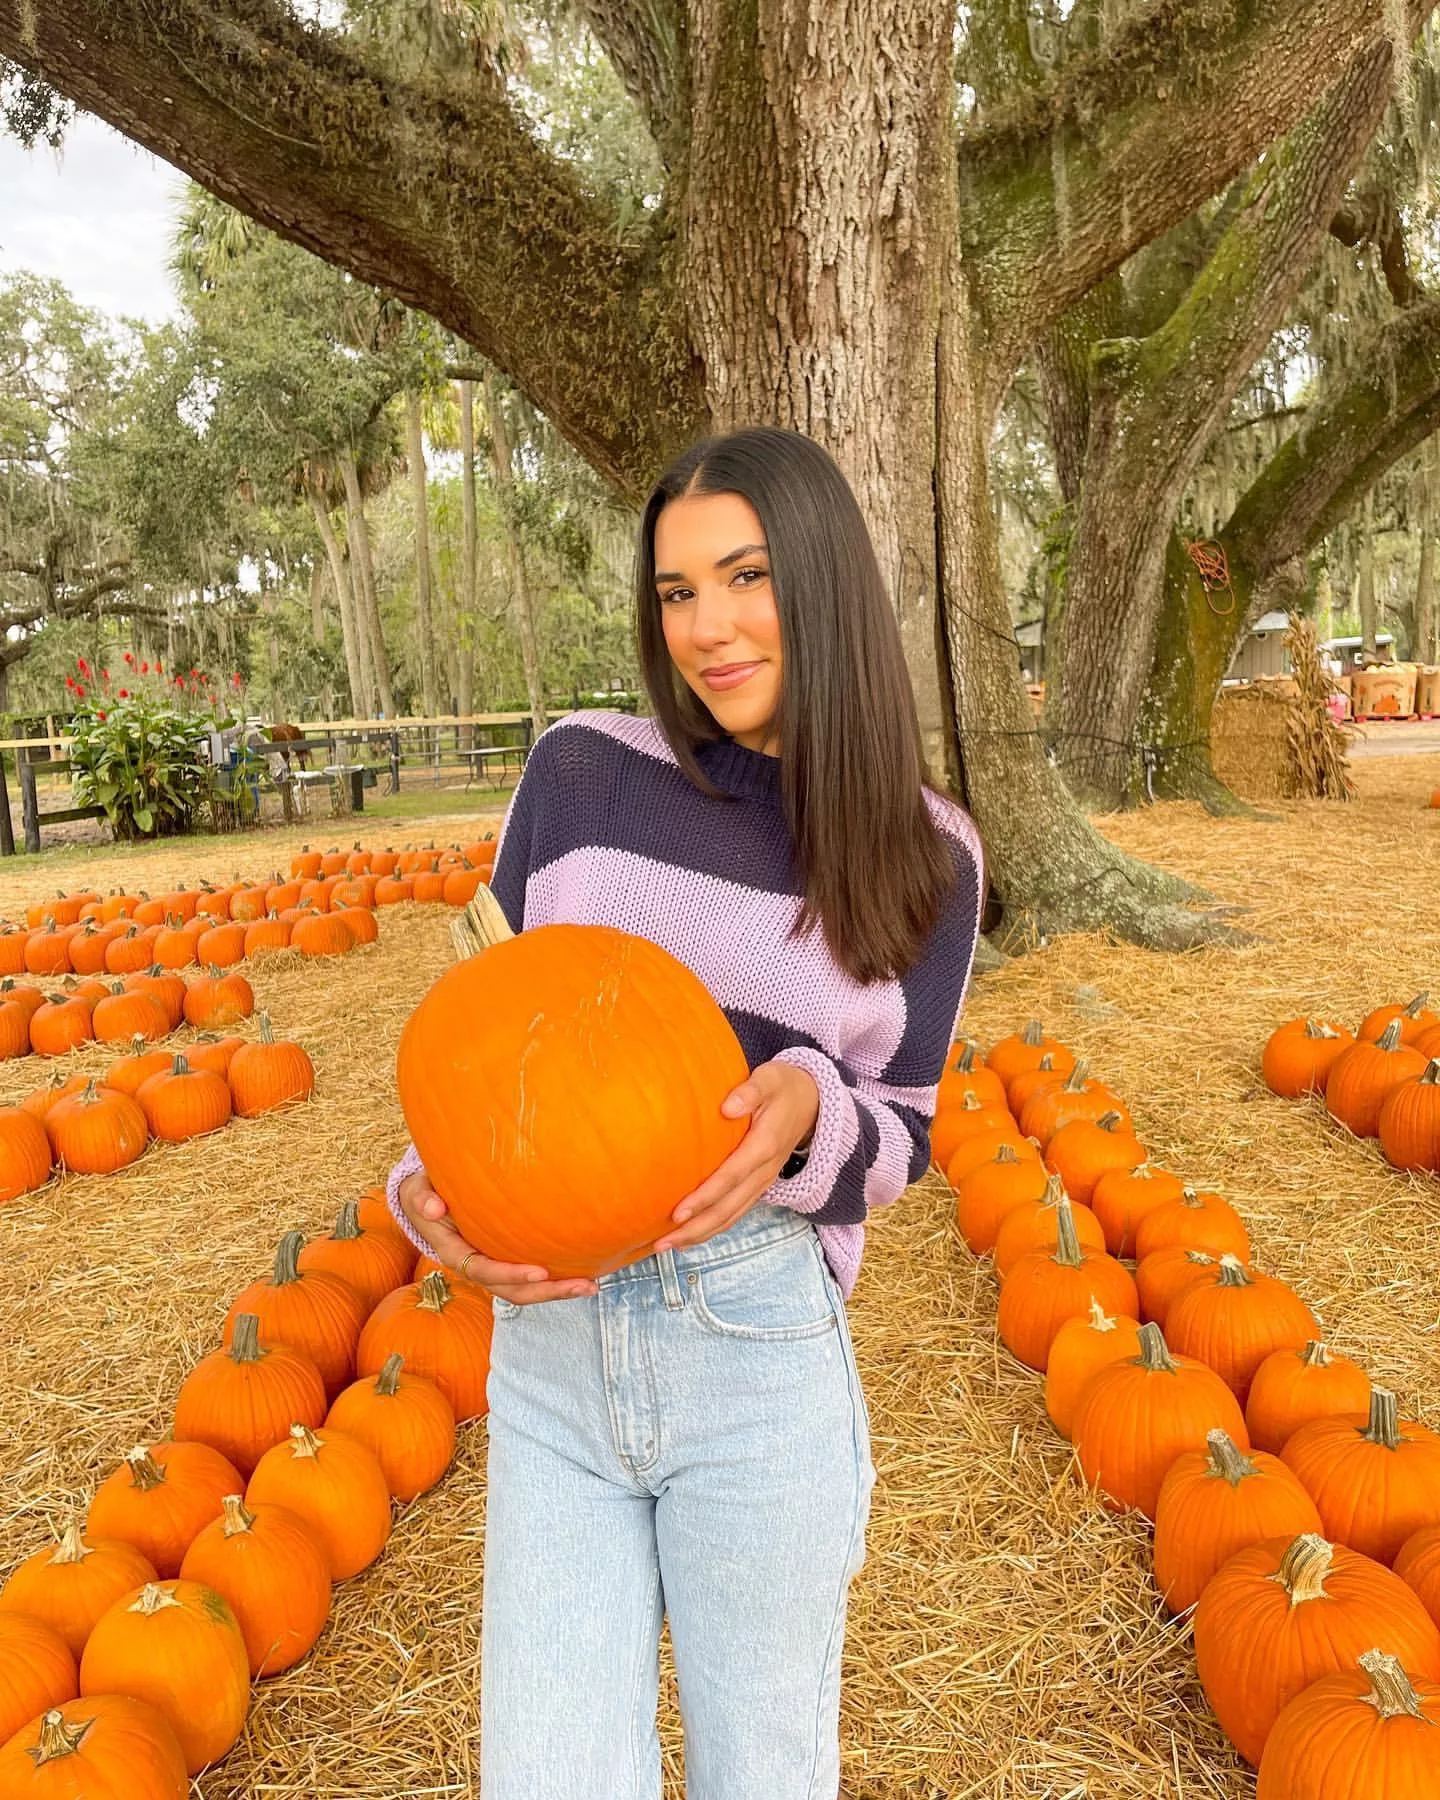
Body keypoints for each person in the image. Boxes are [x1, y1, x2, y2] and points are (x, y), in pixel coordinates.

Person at [387, 426, 984, 1800]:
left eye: (746, 577)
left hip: (755, 1344)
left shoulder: (929, 854)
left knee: (761, 1775)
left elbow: (902, 1134)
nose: (708, 626)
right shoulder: (579, 775)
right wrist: (430, 1187)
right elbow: (492, 1031)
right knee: (545, 1777)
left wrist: (809, 1106)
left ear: (824, 580)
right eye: (676, 591)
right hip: (555, 1349)